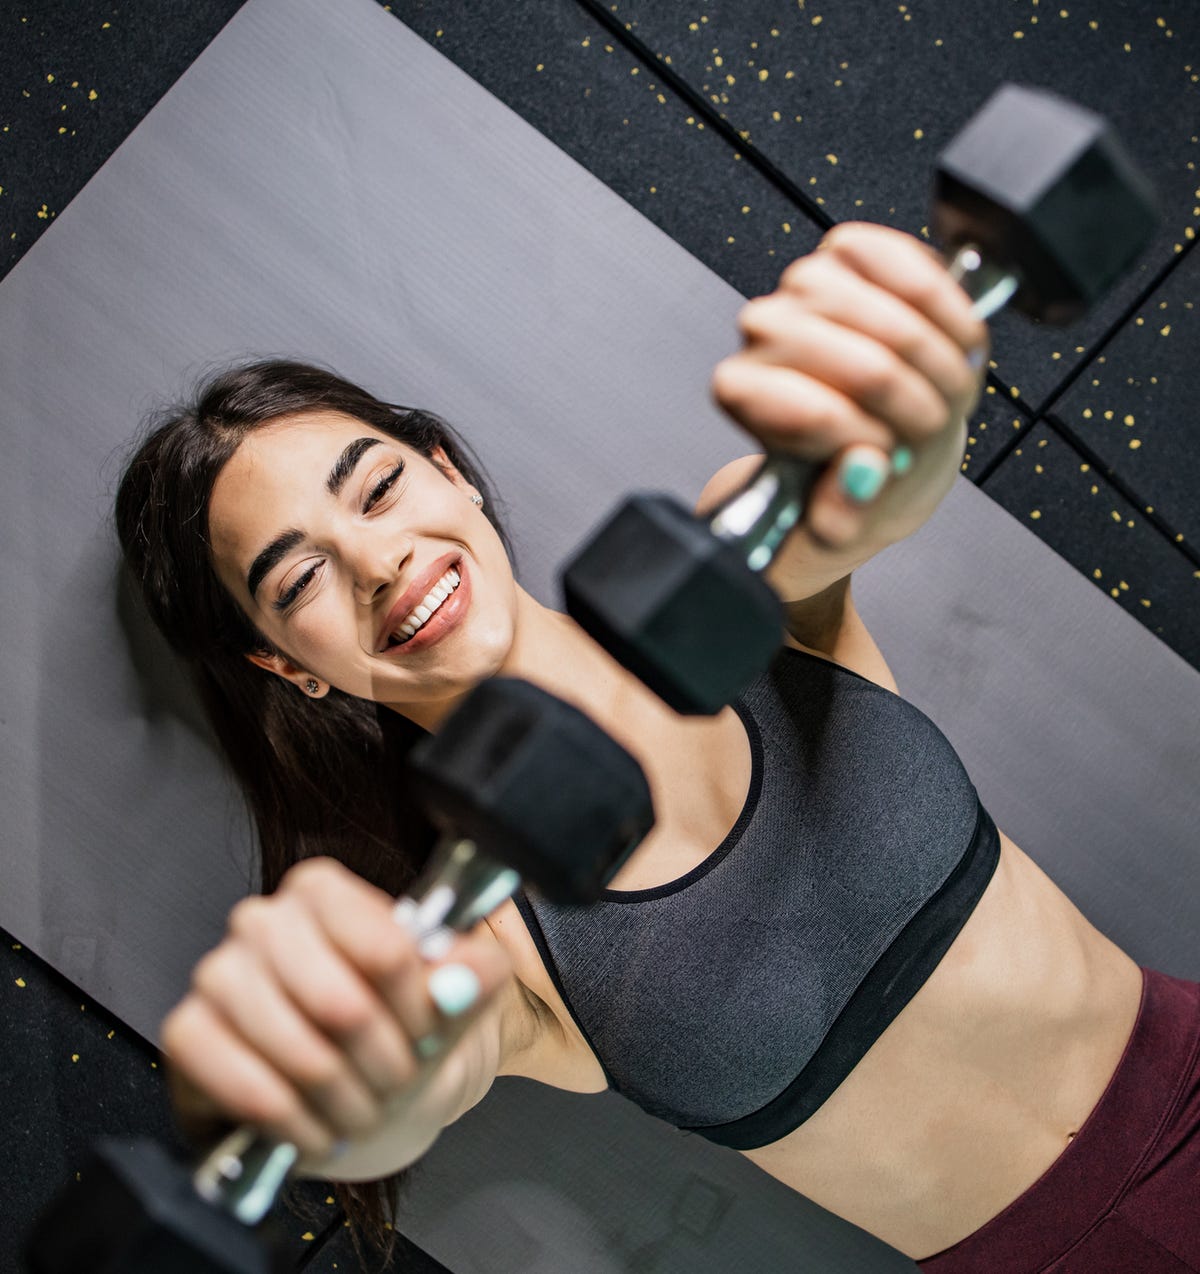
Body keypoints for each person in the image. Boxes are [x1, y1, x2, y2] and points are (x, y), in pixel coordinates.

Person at [115, 222, 1198, 1273]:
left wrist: (910, 397)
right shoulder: (479, 944)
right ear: (284, 665)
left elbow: (856, 484)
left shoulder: (737, 589)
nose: (378, 561)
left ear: (451, 470)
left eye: (381, 485)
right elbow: (416, 1073)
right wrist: (351, 1101)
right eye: (298, 579)